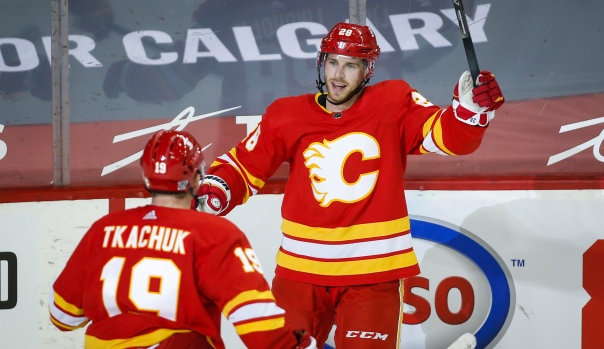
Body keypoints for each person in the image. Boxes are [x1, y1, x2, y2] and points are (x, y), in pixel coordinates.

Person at [196, 22, 504, 349]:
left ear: (367, 70)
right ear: (321, 62)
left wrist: (468, 113)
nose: (338, 74)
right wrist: (217, 190)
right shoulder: (287, 115)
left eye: (350, 65)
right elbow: (244, 164)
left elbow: (445, 137)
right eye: (332, 62)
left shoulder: (393, 102)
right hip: (300, 274)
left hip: (372, 275)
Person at [48, 129, 316, 349]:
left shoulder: (103, 230)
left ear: (146, 176)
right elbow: (258, 327)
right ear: (198, 178)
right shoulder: (214, 234)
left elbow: (62, 317)